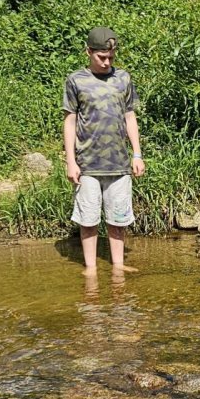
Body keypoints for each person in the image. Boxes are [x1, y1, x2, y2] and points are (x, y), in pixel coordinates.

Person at [63, 27, 144, 280]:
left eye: (111, 57)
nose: (107, 62)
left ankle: (118, 266)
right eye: (101, 57)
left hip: (119, 163)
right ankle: (91, 268)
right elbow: (70, 121)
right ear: (88, 52)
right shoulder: (76, 80)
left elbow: (129, 116)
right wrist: (70, 161)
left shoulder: (123, 78)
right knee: (88, 220)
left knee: (118, 219)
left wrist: (137, 154)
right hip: (87, 163)